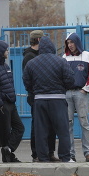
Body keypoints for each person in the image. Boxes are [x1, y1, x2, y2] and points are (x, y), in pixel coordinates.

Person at [23, 36, 75, 163]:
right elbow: (70, 80)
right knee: (62, 130)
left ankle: (43, 157)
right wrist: (62, 89)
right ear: (52, 48)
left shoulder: (31, 63)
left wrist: (35, 91)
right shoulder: (61, 61)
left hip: (39, 100)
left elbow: (26, 82)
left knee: (41, 131)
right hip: (58, 99)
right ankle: (65, 156)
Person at [0, 40, 24, 163]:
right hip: (2, 105)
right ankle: (8, 158)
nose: (7, 51)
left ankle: (8, 150)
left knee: (19, 127)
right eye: (6, 49)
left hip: (11, 103)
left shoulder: (5, 66)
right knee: (5, 132)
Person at [22, 30, 59, 163]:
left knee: (51, 126)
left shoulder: (40, 55)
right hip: (36, 97)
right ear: (38, 40)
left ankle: (49, 152)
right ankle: (36, 153)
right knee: (38, 126)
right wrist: (34, 92)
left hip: (46, 95)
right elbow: (27, 79)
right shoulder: (29, 57)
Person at [63, 32, 89, 162]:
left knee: (84, 122)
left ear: (77, 42)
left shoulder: (87, 56)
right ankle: (70, 153)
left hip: (81, 93)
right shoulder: (64, 57)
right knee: (68, 124)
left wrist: (85, 89)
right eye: (68, 43)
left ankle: (88, 152)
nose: (70, 45)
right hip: (67, 93)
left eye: (72, 42)